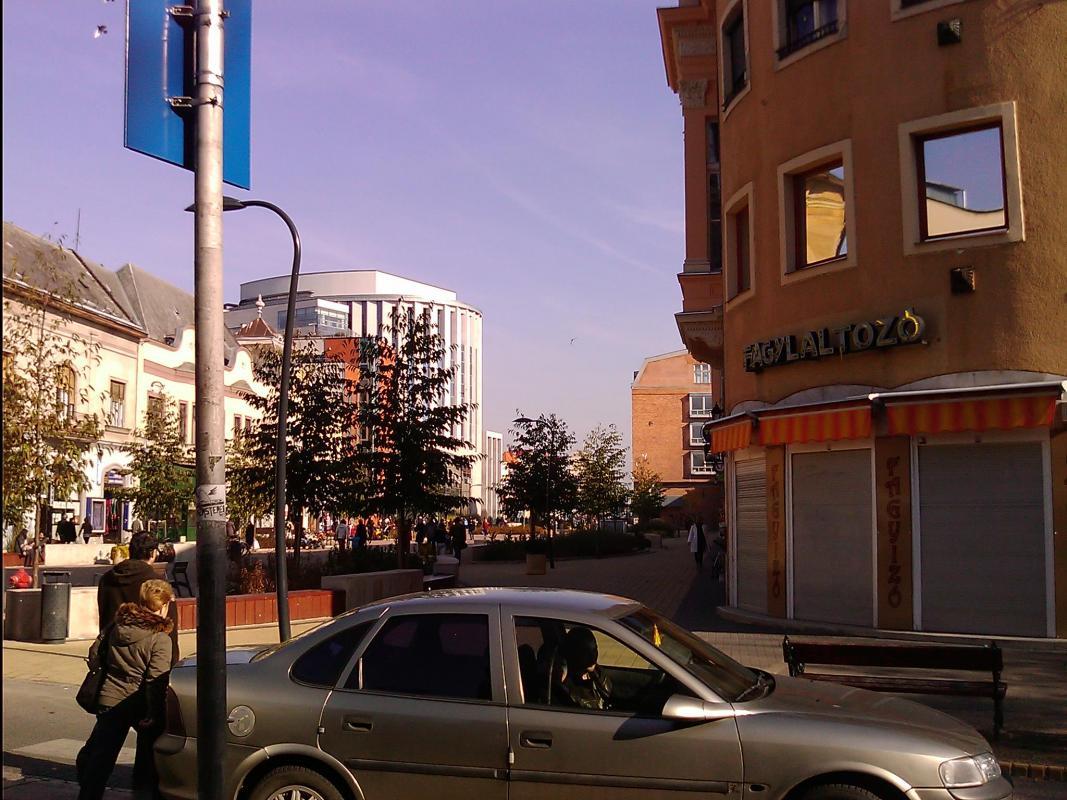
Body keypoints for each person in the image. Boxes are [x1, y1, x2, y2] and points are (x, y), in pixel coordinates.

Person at [77, 579, 173, 800]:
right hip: (139, 701)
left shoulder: (117, 625)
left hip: (110, 696)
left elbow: (94, 654)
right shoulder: (159, 639)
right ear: (163, 606)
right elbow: (156, 679)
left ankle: (88, 795)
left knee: (101, 758)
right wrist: (154, 712)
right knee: (151, 756)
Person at [97, 533, 179, 668]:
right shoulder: (157, 584)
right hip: (146, 659)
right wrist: (172, 662)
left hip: (112, 655)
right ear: (153, 553)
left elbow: (104, 615)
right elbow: (170, 626)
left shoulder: (107, 579)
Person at [557, 627, 612, 710]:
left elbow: (607, 694)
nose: (594, 654)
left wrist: (594, 672)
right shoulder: (568, 690)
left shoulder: (596, 672)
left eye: (595, 649)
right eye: (588, 652)